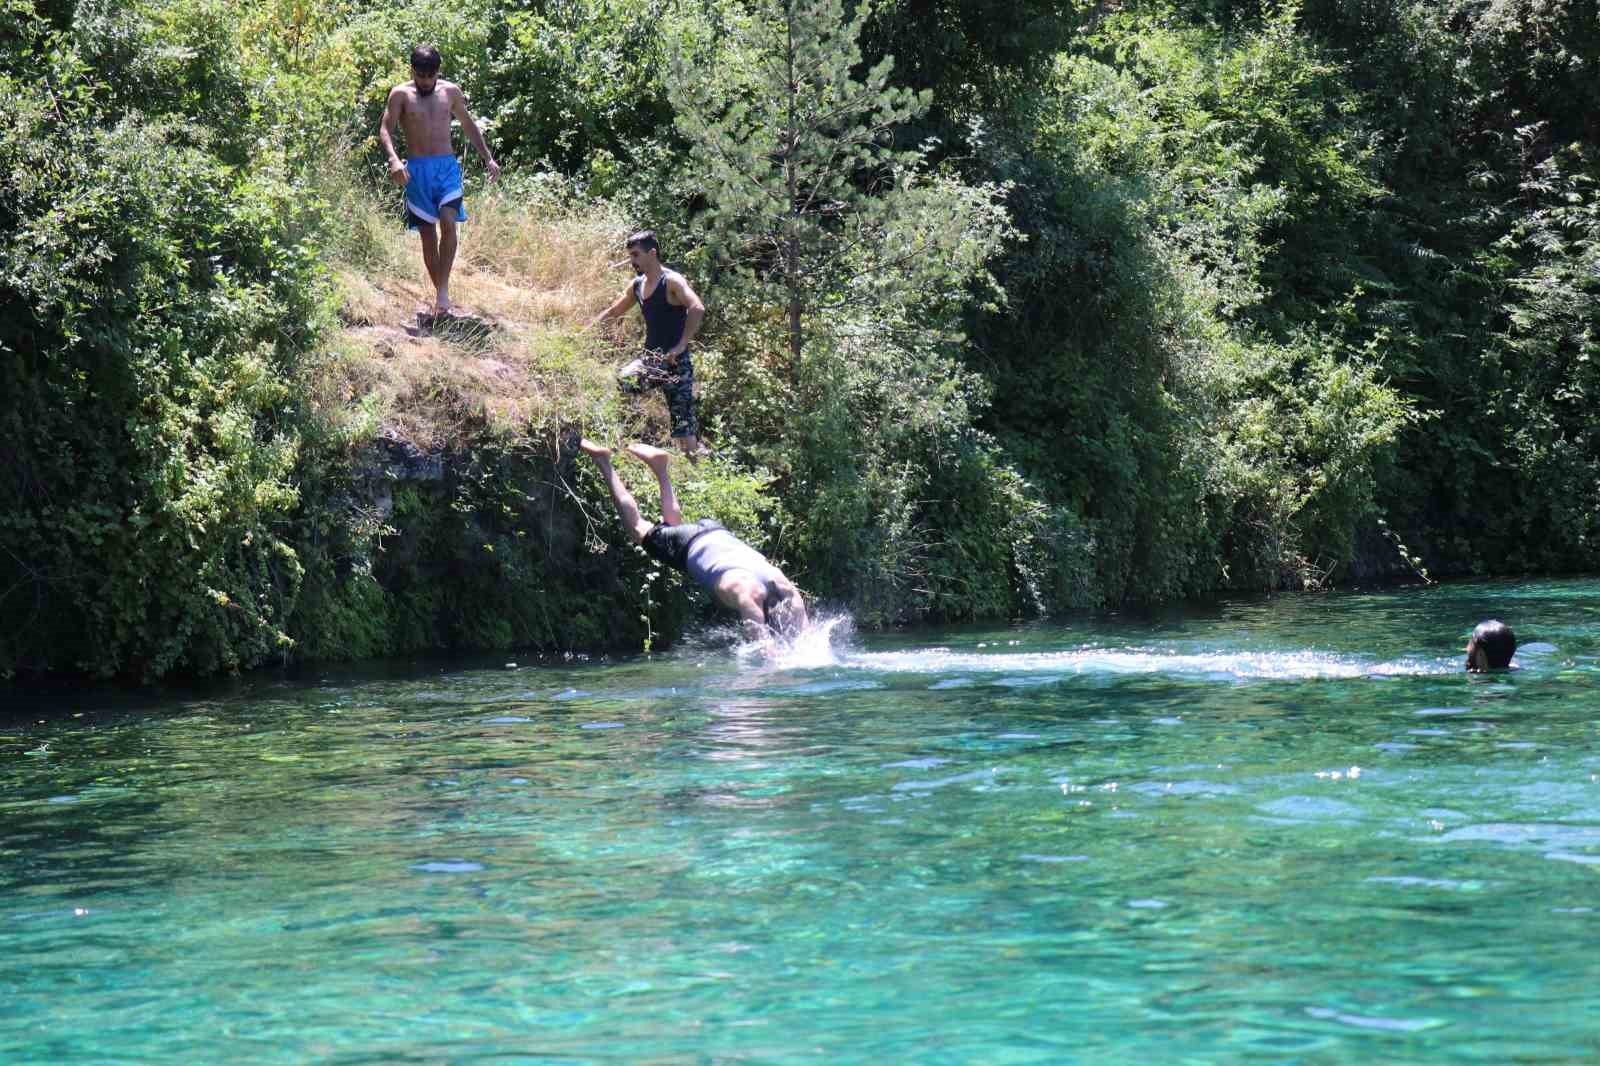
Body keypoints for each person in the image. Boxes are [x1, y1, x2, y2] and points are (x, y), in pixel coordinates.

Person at [579, 438, 807, 643]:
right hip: (692, 545)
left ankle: (660, 468)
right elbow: (763, 648)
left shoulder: (783, 585)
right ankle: (603, 462)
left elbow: (806, 637)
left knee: (674, 530)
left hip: (716, 532)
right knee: (638, 528)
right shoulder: (748, 595)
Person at [378, 44, 500, 321]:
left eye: (430, 76)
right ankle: (441, 299)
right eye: (421, 76)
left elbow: (469, 125)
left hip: (446, 168)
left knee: (448, 220)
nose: (425, 82)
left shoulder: (450, 92)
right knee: (428, 236)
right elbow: (386, 128)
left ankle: (442, 293)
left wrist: (488, 158)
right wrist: (394, 160)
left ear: (437, 72)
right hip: (417, 171)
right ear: (413, 71)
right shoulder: (400, 94)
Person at [589, 231, 707, 457]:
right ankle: (617, 442)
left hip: (675, 364)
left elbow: (697, 307)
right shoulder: (637, 285)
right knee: (621, 382)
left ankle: (697, 476)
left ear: (652, 253)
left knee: (684, 429)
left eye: (636, 255)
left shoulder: (671, 281)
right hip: (652, 361)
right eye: (630, 255)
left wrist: (681, 345)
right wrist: (583, 334)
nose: (632, 261)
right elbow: (614, 311)